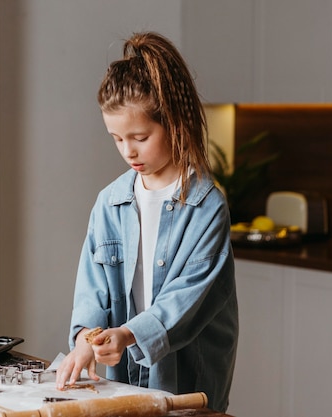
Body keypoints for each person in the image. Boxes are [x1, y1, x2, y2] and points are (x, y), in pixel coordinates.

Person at [55, 31, 238, 413]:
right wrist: (86, 339)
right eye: (116, 139)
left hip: (188, 382)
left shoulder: (206, 205)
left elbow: (189, 298)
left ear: (173, 120)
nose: (128, 151)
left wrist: (128, 334)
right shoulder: (110, 202)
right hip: (122, 382)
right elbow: (93, 287)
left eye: (139, 136)